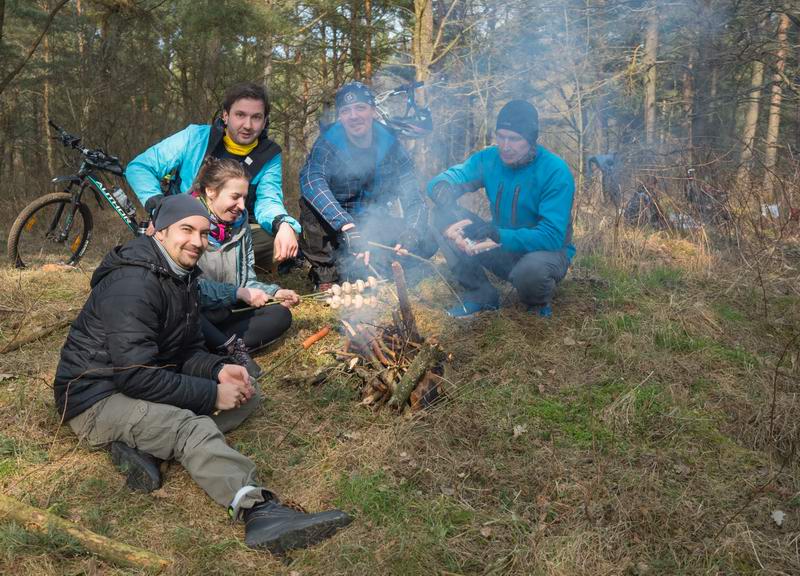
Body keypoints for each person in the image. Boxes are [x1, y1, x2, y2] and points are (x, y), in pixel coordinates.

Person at [53, 194, 351, 553]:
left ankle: (145, 447)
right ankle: (258, 511)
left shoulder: (182, 276)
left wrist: (219, 369)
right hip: (94, 397)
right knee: (190, 426)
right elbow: (135, 375)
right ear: (158, 232)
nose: (197, 241)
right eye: (186, 230)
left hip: (138, 379)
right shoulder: (132, 284)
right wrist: (210, 395)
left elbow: (187, 349)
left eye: (204, 233)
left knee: (245, 392)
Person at [427, 100, 575, 318]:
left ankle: (536, 303)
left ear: (532, 140)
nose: (505, 146)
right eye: (501, 136)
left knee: (531, 271)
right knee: (441, 215)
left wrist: (499, 235)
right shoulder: (490, 159)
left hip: (544, 253)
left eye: (514, 139)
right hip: (500, 245)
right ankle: (481, 294)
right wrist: (441, 189)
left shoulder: (555, 171)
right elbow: (453, 176)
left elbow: (552, 236)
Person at [126, 82, 300, 266]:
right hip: (185, 224)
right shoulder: (195, 137)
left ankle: (218, 265)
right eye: (240, 115)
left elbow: (268, 200)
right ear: (226, 115)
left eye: (256, 117)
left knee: (281, 237)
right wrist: (160, 208)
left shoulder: (269, 154)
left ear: (265, 121)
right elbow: (140, 167)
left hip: (233, 231)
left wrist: (283, 224)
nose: (248, 125)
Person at [298, 81, 436, 290]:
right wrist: (346, 225)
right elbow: (311, 181)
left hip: (373, 227)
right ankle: (327, 275)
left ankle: (383, 267)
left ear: (372, 110)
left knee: (428, 237)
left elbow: (414, 196)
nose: (354, 116)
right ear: (341, 117)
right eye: (346, 110)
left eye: (361, 107)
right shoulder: (328, 142)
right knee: (309, 204)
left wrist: (412, 232)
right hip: (337, 229)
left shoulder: (391, 145)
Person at [190, 157, 300, 371]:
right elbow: (187, 290)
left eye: (244, 197)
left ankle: (219, 348)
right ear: (211, 191)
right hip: (194, 318)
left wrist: (274, 292)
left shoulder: (240, 223)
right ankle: (217, 349)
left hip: (225, 313)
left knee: (280, 314)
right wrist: (236, 294)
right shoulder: (187, 223)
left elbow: (247, 280)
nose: (241, 206)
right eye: (235, 197)